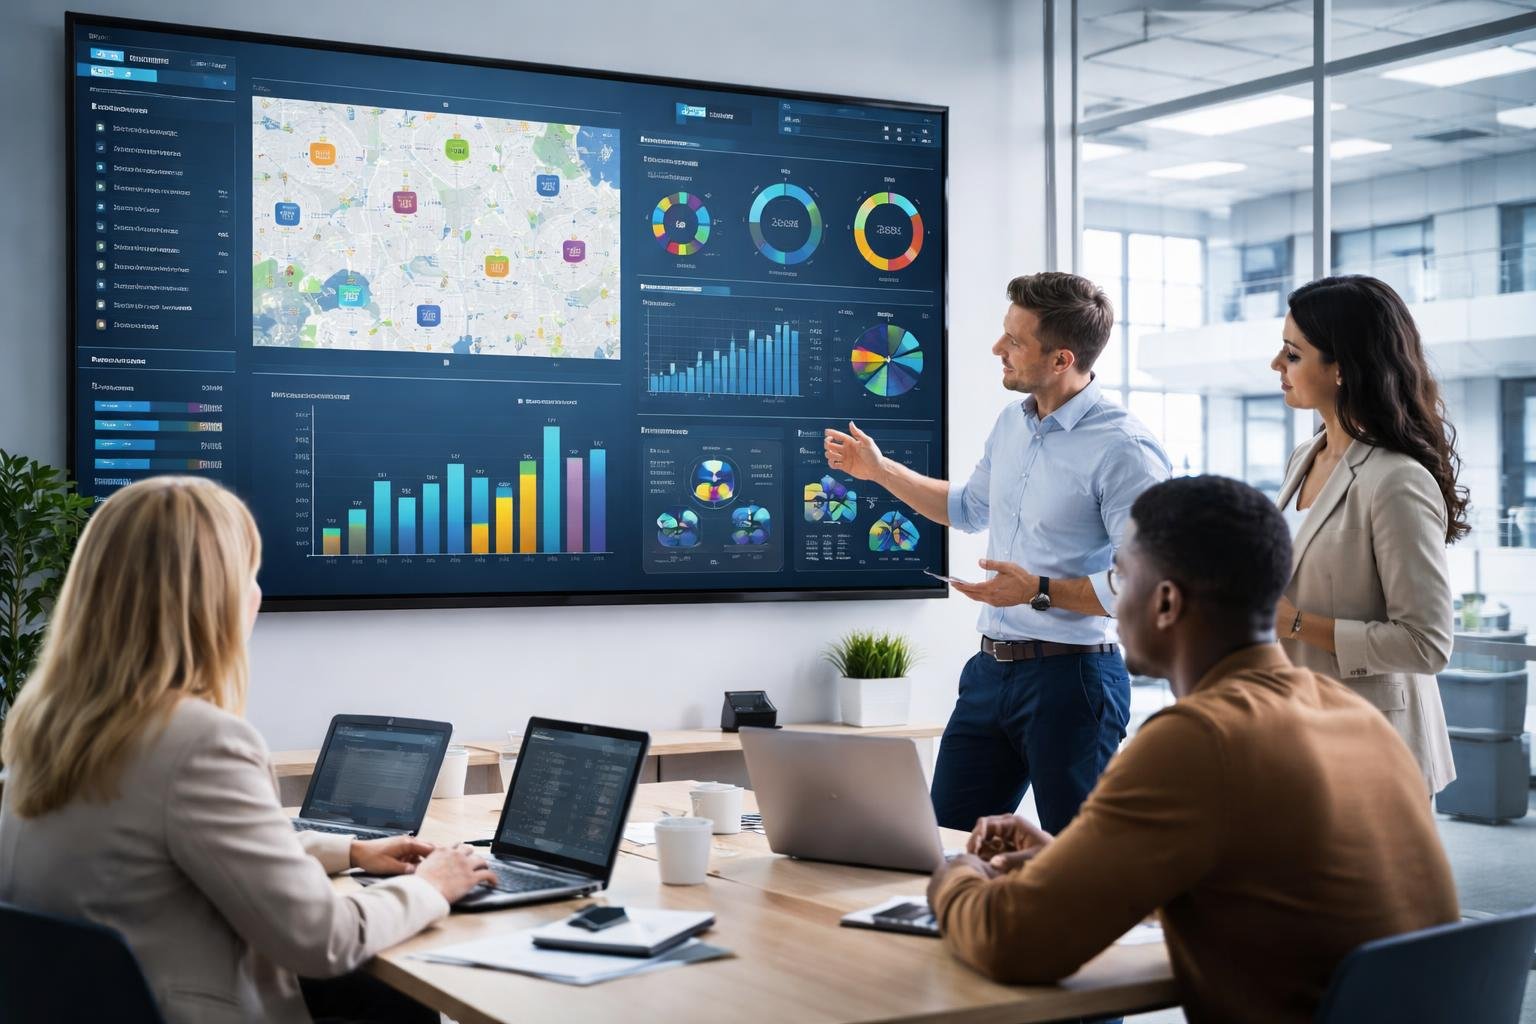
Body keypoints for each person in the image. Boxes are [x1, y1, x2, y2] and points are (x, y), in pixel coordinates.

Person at [926, 475, 1459, 1023]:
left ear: (1165, 602)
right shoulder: (1356, 719)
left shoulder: (1198, 739)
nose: (1111, 598)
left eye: (1119, 577)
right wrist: (1072, 862)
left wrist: (955, 871)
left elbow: (1012, 941)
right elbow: (1255, 882)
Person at [0, 477, 497, 1024]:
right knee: (397, 999)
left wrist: (350, 852)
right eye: (250, 575)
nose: (257, 593)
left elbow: (173, 855)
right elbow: (319, 938)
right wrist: (433, 886)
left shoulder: (48, 728)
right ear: (215, 600)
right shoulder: (199, 743)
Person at [825, 272, 1169, 834]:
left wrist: (1039, 590)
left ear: (1061, 359)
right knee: (946, 843)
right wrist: (878, 470)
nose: (997, 349)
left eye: (1014, 340)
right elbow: (966, 509)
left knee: (1077, 860)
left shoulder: (1124, 449)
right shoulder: (1013, 423)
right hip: (989, 674)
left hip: (1073, 682)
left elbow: (1146, 588)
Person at [1270, 275, 1464, 793]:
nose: (1275, 366)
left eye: (1292, 354)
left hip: (1375, 745)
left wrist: (1294, 624)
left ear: (1341, 368)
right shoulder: (1303, 457)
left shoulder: (1397, 479)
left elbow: (1425, 644)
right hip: (1300, 729)